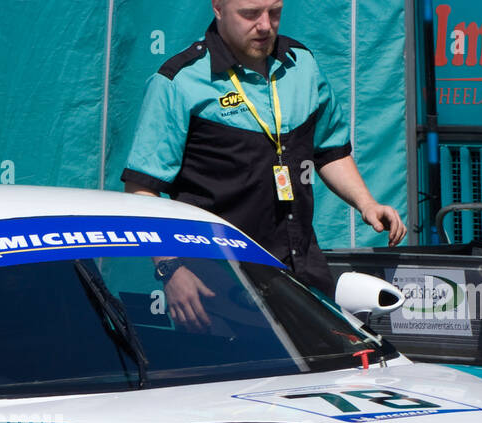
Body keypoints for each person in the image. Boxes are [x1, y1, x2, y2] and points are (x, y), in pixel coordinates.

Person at [121, 0, 404, 330]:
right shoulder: (178, 80)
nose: (266, 25)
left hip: (301, 274)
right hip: (218, 285)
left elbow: (330, 150)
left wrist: (366, 203)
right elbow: (142, 188)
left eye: (275, 12)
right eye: (250, 14)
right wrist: (171, 269)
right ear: (218, 8)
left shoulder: (303, 65)